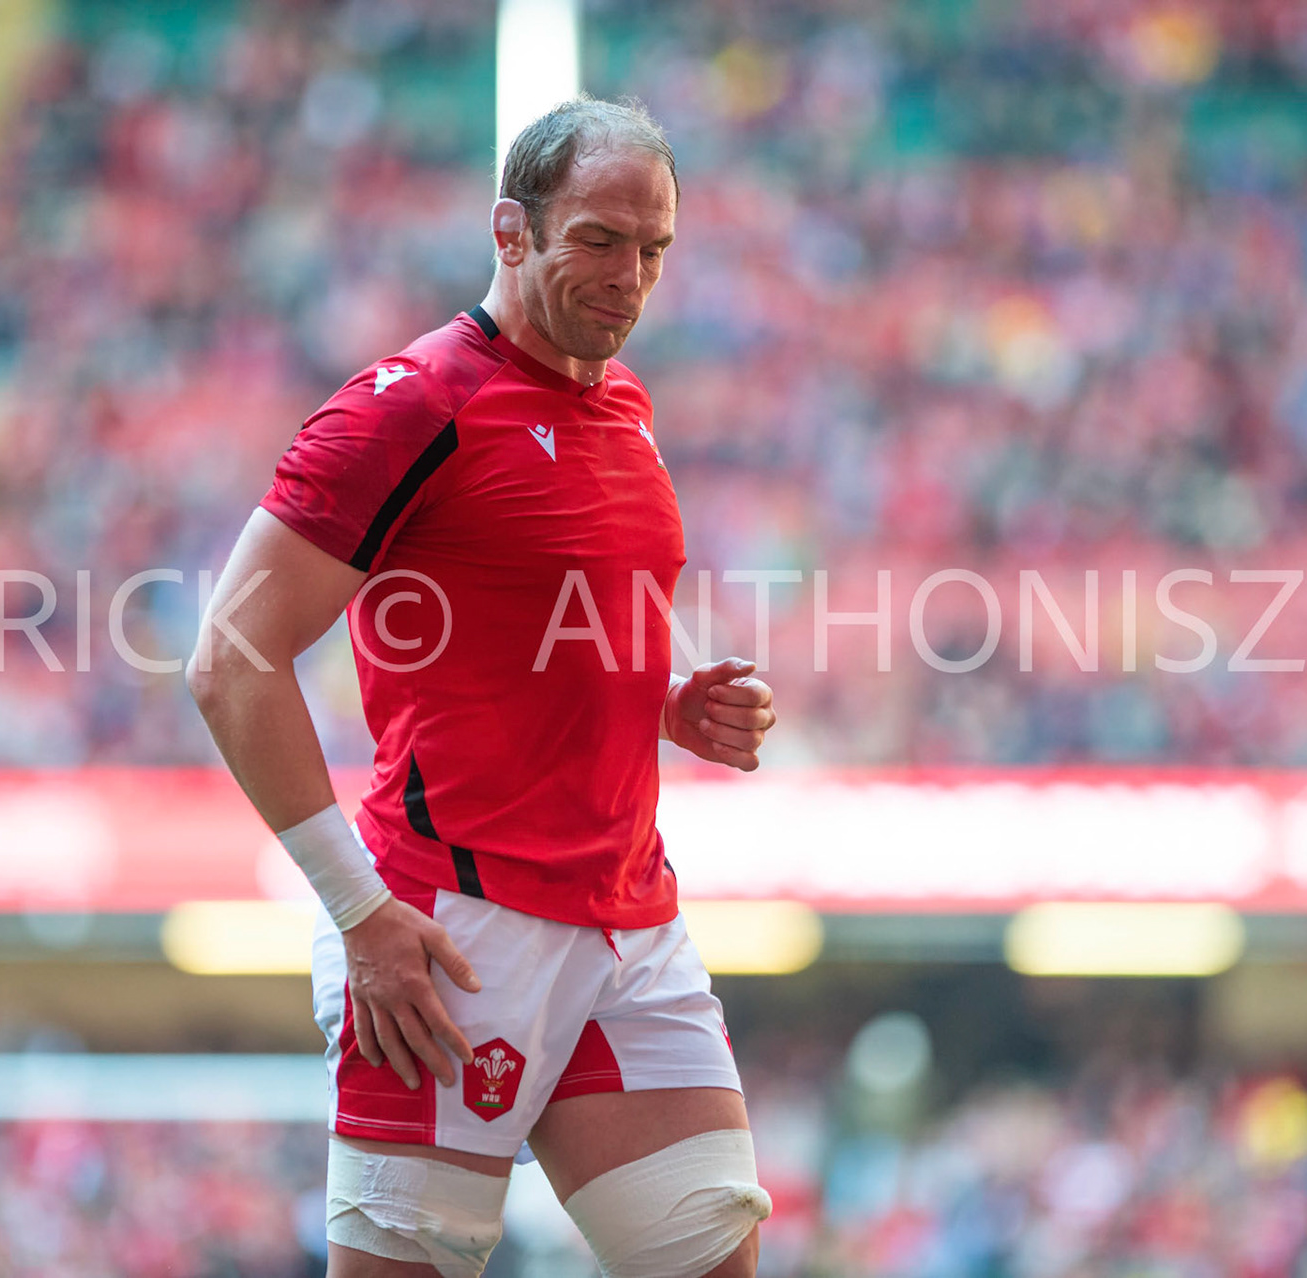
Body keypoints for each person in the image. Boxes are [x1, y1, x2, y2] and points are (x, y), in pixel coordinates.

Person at [187, 97, 778, 1278]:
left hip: (630, 920)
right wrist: (360, 916)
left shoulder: (623, 405)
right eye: (599, 241)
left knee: (713, 1256)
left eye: (654, 248)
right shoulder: (408, 408)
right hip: (451, 931)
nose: (631, 277)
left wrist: (670, 705)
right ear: (511, 231)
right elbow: (230, 661)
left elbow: (535, 629)